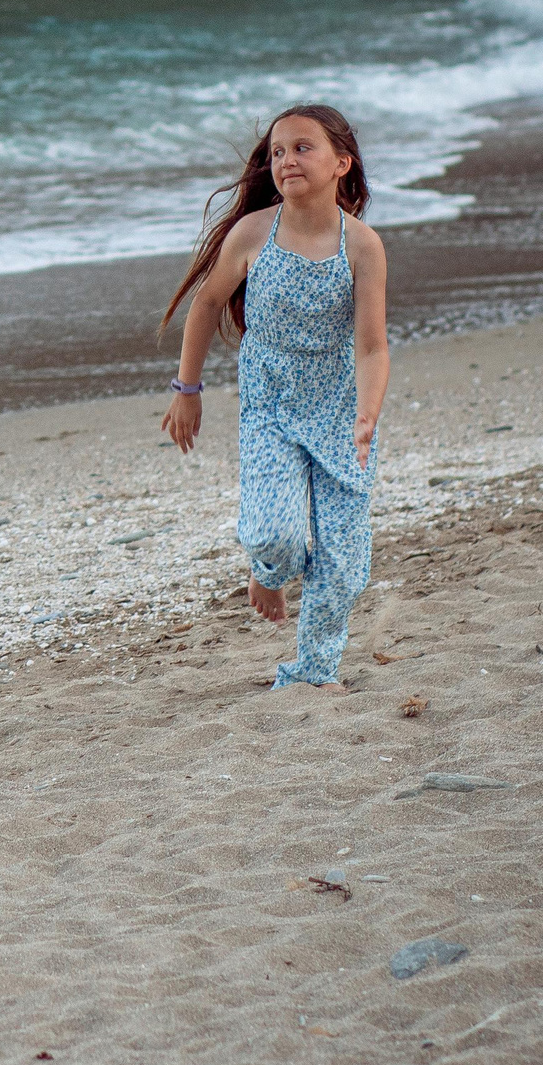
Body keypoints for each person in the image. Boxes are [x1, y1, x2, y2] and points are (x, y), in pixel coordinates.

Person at [160, 104, 390, 690]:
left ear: (342, 163)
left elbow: (371, 346)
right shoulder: (254, 232)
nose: (286, 159)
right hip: (272, 409)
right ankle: (268, 572)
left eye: (302, 147)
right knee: (273, 535)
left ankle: (312, 674)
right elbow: (207, 304)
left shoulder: (362, 247)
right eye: (278, 151)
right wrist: (187, 390)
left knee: (343, 568)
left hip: (340, 413)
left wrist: (368, 412)